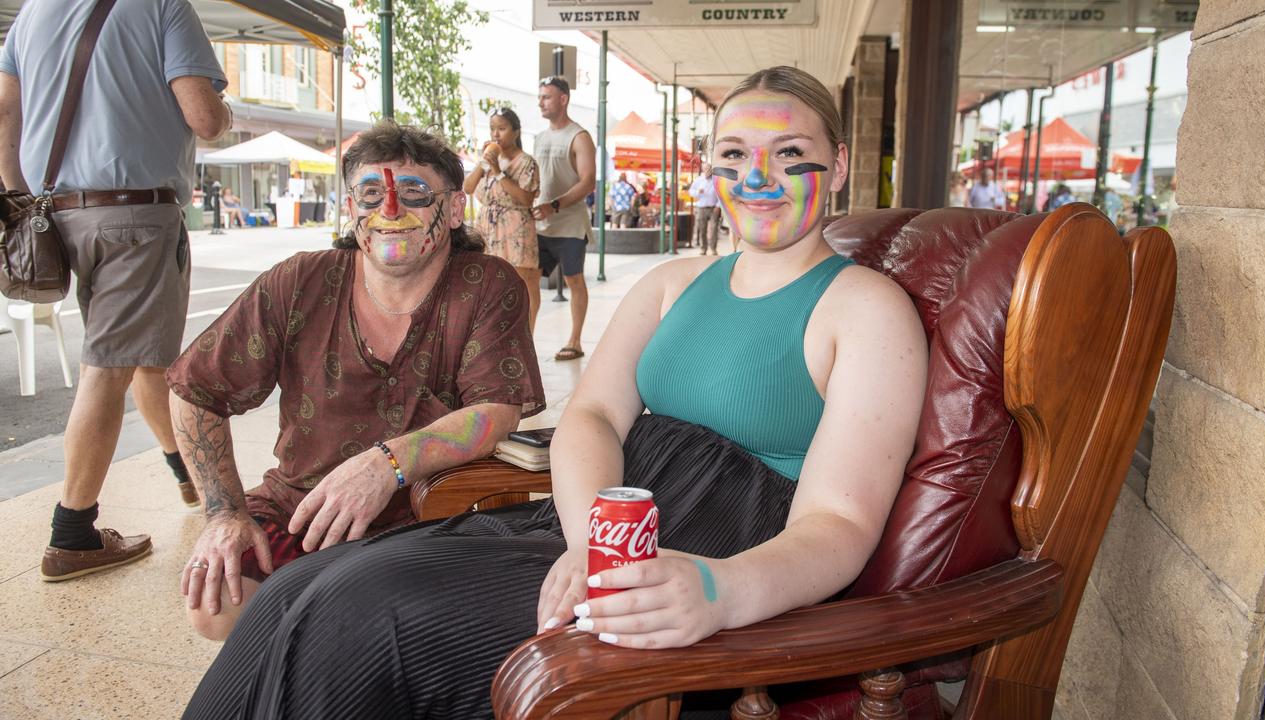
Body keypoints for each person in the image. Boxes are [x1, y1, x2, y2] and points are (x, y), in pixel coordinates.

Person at [183, 65, 926, 720]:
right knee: (297, 590)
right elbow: (594, 415)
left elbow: (841, 523)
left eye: (790, 155)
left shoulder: (863, 307)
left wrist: (721, 589)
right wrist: (587, 538)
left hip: (704, 554)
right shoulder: (670, 284)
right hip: (586, 521)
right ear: (710, 168)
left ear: (837, 163)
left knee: (357, 618)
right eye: (735, 155)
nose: (758, 178)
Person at [167, 122, 545, 641]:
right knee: (217, 598)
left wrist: (385, 465)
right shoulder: (300, 279)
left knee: (367, 612)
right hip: (306, 503)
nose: (390, 210)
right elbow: (195, 390)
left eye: (414, 194)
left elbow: (497, 411)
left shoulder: (485, 283)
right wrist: (225, 513)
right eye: (371, 195)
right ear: (352, 211)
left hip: (431, 513)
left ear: (455, 210)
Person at [0, 0, 232, 581]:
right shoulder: (161, 5)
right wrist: (223, 113)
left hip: (60, 214)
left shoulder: (32, 14)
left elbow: (5, 113)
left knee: (142, 354)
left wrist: (25, 198)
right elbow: (203, 116)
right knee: (109, 365)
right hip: (133, 214)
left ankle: (183, 471)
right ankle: (72, 534)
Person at [531, 76, 596, 362]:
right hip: (541, 224)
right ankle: (526, 340)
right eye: (540, 97)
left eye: (546, 97)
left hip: (569, 223)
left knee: (574, 279)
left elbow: (588, 182)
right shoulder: (539, 138)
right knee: (529, 281)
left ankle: (575, 339)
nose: (541, 102)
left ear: (563, 99)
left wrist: (554, 205)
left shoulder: (579, 136)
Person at [464, 108, 542, 331]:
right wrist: (483, 164)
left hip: (517, 228)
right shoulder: (488, 160)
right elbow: (468, 188)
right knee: (491, 283)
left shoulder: (526, 162)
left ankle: (528, 334)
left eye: (502, 128)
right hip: (489, 227)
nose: (496, 134)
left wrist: (499, 171)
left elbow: (526, 199)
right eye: (492, 129)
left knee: (524, 281)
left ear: (516, 132)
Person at [688, 162, 721, 255]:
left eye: (709, 169)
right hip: (701, 208)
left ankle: (713, 248)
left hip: (713, 208)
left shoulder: (716, 181)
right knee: (702, 229)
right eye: (705, 169)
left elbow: (720, 194)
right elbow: (691, 192)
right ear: (703, 169)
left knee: (714, 229)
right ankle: (703, 248)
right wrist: (698, 192)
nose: (707, 171)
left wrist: (718, 206)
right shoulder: (698, 180)